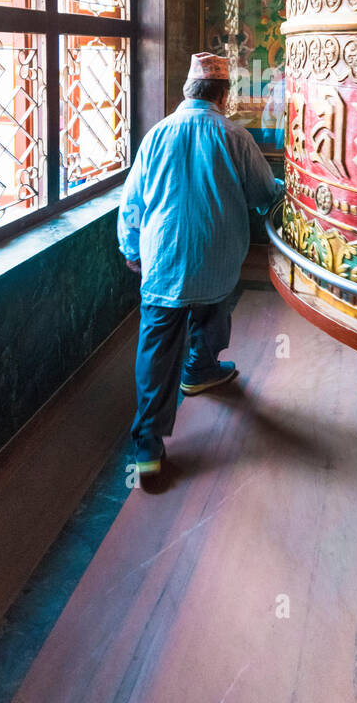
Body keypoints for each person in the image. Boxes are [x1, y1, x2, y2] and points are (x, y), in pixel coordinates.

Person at [117, 52, 283, 474]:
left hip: (164, 260)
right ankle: (200, 368)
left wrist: (131, 249)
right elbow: (264, 194)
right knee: (213, 312)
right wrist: (285, 186)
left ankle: (147, 448)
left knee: (156, 347)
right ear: (224, 94)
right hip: (217, 258)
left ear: (187, 91)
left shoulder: (156, 135)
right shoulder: (235, 137)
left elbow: (131, 201)